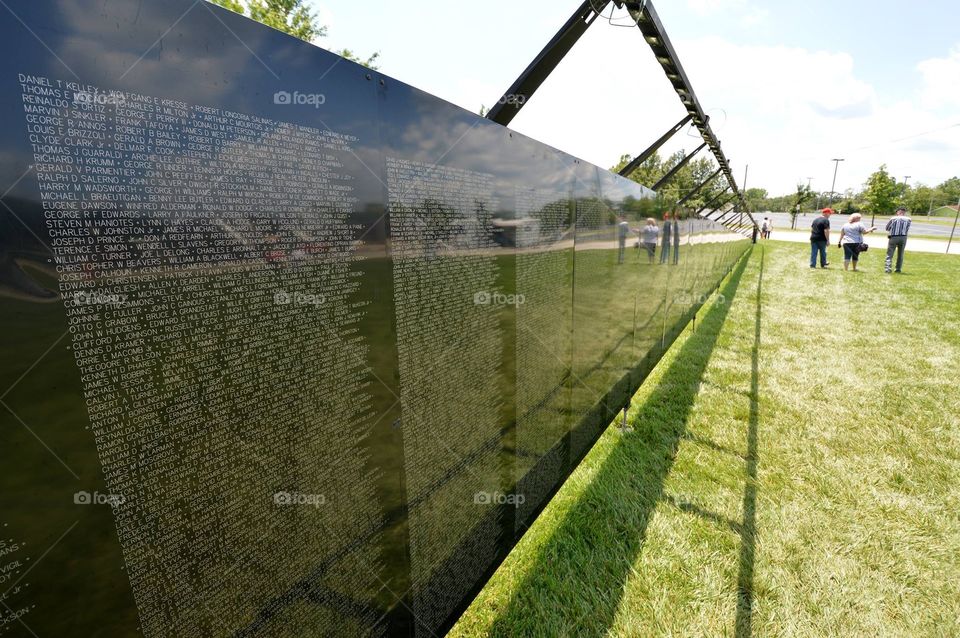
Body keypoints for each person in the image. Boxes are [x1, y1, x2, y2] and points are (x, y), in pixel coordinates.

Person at [885, 206, 911, 273]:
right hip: (903, 237)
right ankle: (898, 269)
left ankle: (888, 269)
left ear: (898, 212)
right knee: (900, 254)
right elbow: (907, 229)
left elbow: (887, 228)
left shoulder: (893, 218)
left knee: (890, 254)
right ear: (904, 212)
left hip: (894, 237)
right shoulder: (908, 219)